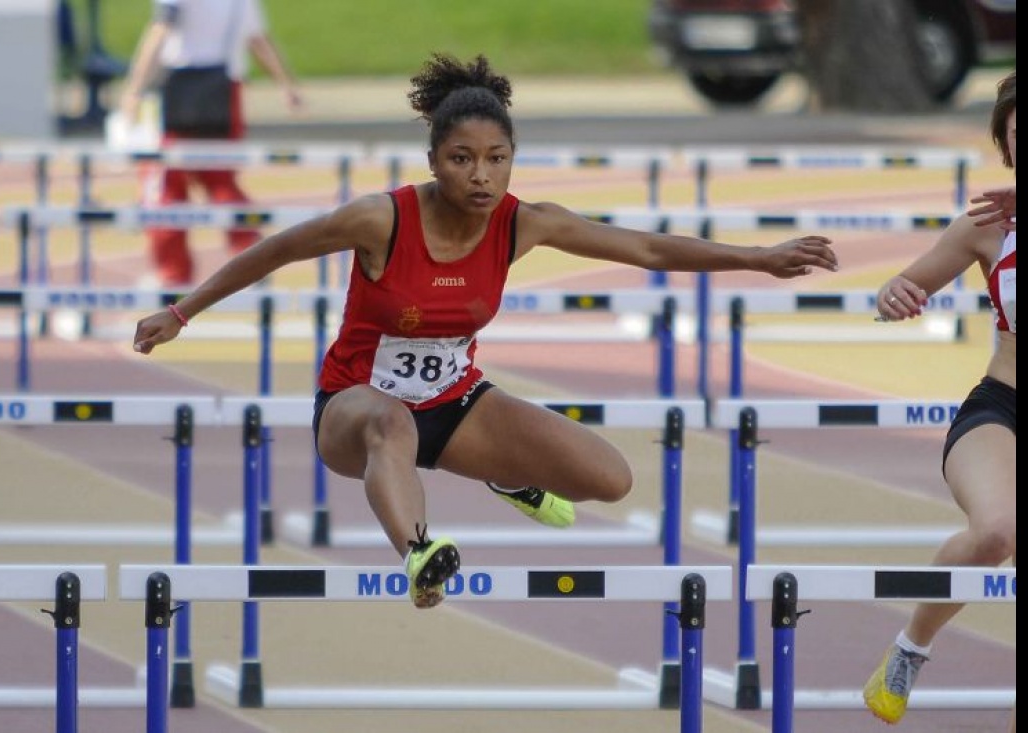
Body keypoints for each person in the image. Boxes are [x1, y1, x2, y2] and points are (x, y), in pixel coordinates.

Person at [132, 52, 839, 609]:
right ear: (434, 160)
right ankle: (420, 553)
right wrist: (182, 310)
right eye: (461, 159)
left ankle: (506, 472)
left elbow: (648, 248)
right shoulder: (383, 219)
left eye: (496, 159)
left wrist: (758, 258)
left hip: (455, 404)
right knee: (390, 424)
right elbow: (277, 247)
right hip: (355, 408)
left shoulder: (524, 224)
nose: (481, 176)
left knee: (610, 478)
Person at [864, 69, 1015, 730]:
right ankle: (908, 648)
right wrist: (895, 292)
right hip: (1001, 408)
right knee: (997, 531)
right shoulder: (989, 224)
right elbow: (907, 279)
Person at [118, 0, 304, 287]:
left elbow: (160, 30)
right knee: (222, 182)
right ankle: (250, 257)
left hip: (179, 91)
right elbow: (257, 39)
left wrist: (134, 89)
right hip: (225, 91)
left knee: (166, 185)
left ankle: (173, 273)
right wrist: (286, 85)